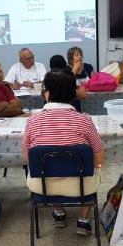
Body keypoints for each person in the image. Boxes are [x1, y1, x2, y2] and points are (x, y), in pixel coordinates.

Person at [22, 70, 104, 235]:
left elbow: (26, 157)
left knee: (46, 166)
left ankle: (58, 212)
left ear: (47, 93)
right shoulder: (84, 120)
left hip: (43, 188)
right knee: (97, 166)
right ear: (73, 94)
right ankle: (83, 220)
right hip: (81, 187)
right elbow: (100, 157)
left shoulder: (32, 121)